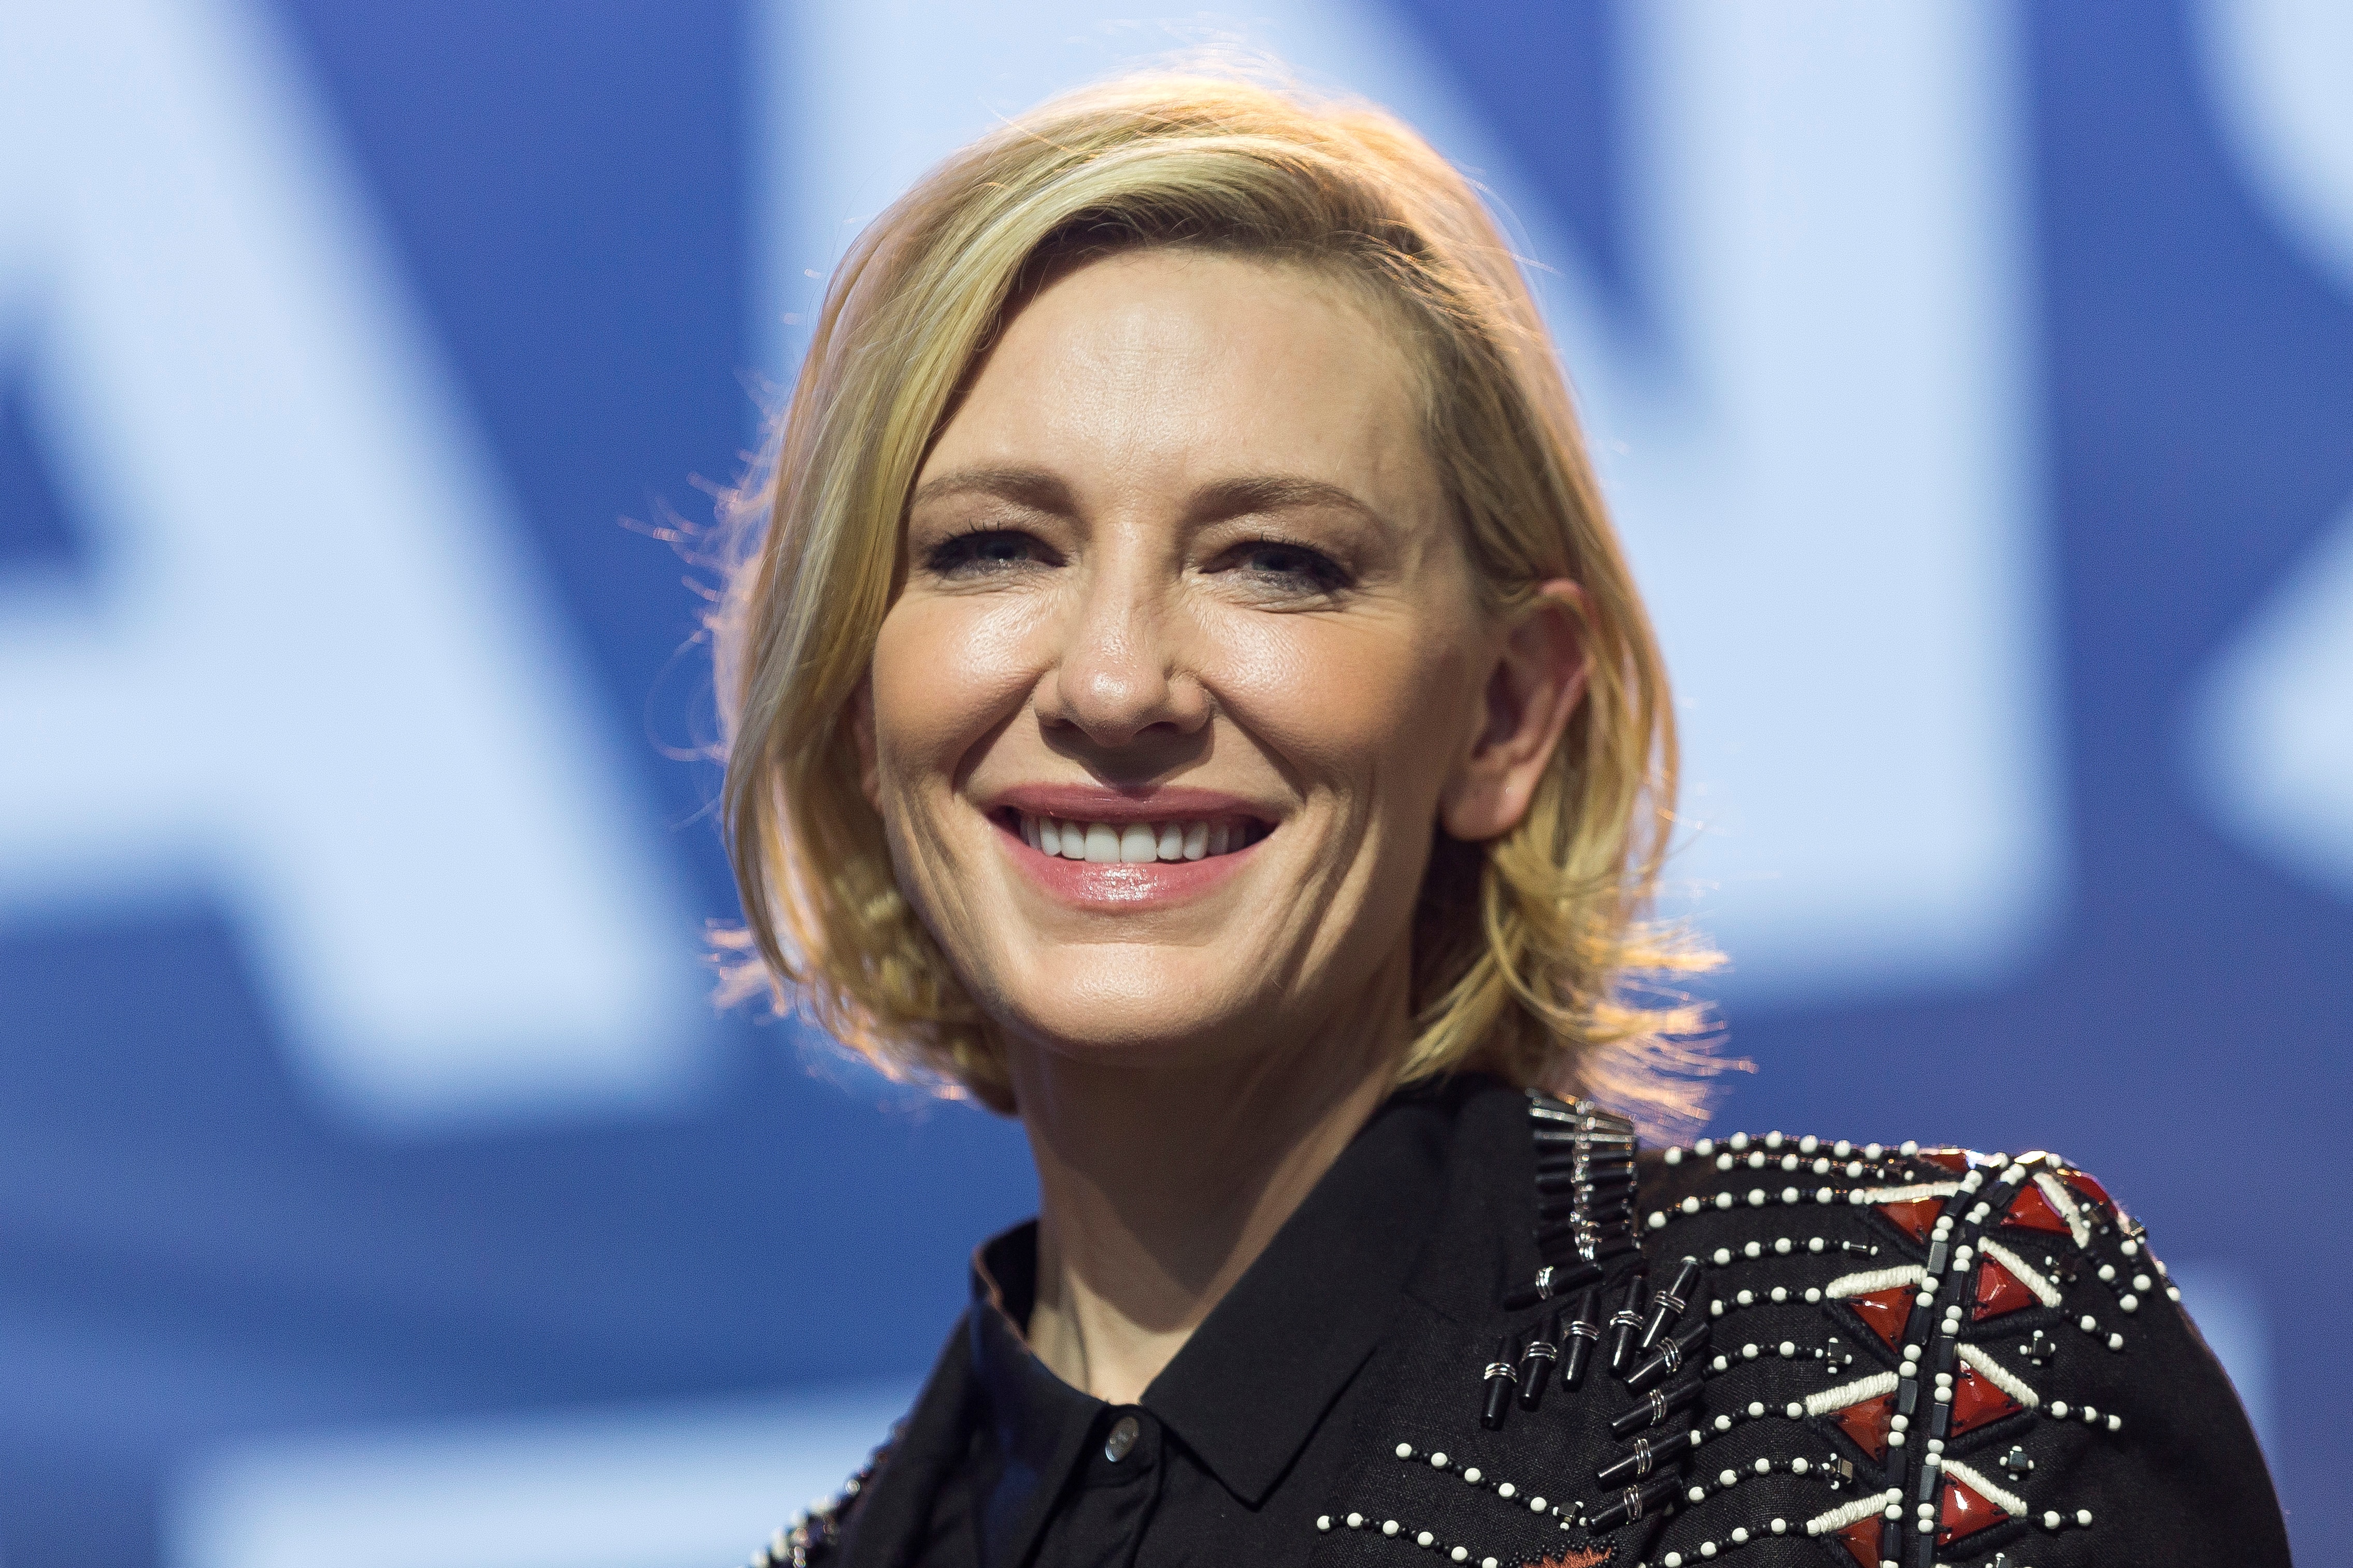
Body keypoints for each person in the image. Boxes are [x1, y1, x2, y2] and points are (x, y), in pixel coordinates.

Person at [712, 75, 2288, 1568]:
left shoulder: (1935, 1380)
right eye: (992, 548)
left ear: (1507, 713)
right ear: (858, 703)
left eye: (1275, 561)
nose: (1117, 681)